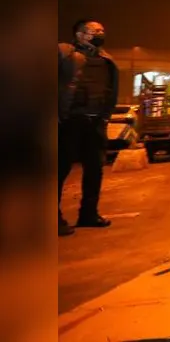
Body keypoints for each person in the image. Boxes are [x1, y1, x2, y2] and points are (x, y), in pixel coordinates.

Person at [58, 19, 119, 236]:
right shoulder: (64, 54)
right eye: (95, 31)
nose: (100, 33)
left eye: (102, 30)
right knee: (60, 169)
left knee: (95, 169)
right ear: (80, 34)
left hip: (96, 121)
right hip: (69, 121)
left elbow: (110, 90)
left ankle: (89, 214)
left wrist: (105, 116)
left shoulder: (106, 60)